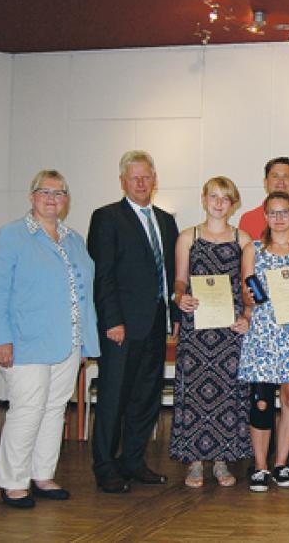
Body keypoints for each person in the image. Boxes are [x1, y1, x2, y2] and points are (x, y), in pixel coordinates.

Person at [0, 170, 99, 508]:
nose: (51, 198)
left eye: (59, 192)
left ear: (67, 200)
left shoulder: (74, 239)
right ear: (32, 196)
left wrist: (85, 342)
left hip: (67, 342)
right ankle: (13, 481)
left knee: (54, 409)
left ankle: (42, 475)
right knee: (27, 409)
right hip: (25, 341)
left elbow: (84, 292)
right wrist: (0, 340)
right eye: (44, 191)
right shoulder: (11, 236)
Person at [88, 150, 179, 493]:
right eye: (134, 177)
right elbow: (103, 275)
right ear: (123, 182)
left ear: (155, 179)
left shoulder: (166, 221)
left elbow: (171, 277)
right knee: (114, 396)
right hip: (121, 327)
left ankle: (134, 461)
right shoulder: (107, 217)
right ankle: (105, 466)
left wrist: (176, 318)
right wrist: (112, 320)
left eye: (146, 176)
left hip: (156, 324)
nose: (141, 183)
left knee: (146, 396)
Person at [238, 156, 289, 475]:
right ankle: (259, 466)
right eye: (272, 212)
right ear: (265, 215)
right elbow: (249, 291)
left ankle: (282, 462)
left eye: (284, 212)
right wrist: (256, 295)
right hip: (263, 333)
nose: (279, 217)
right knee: (261, 402)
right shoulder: (253, 250)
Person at [170, 177, 252, 488]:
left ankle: (221, 461)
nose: (219, 203)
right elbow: (179, 280)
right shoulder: (186, 237)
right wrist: (180, 297)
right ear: (204, 199)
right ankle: (193, 462)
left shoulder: (244, 239)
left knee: (227, 394)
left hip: (229, 329)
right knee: (194, 392)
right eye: (213, 196)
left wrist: (248, 315)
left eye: (225, 198)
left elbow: (250, 285)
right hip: (196, 327)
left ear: (233, 204)